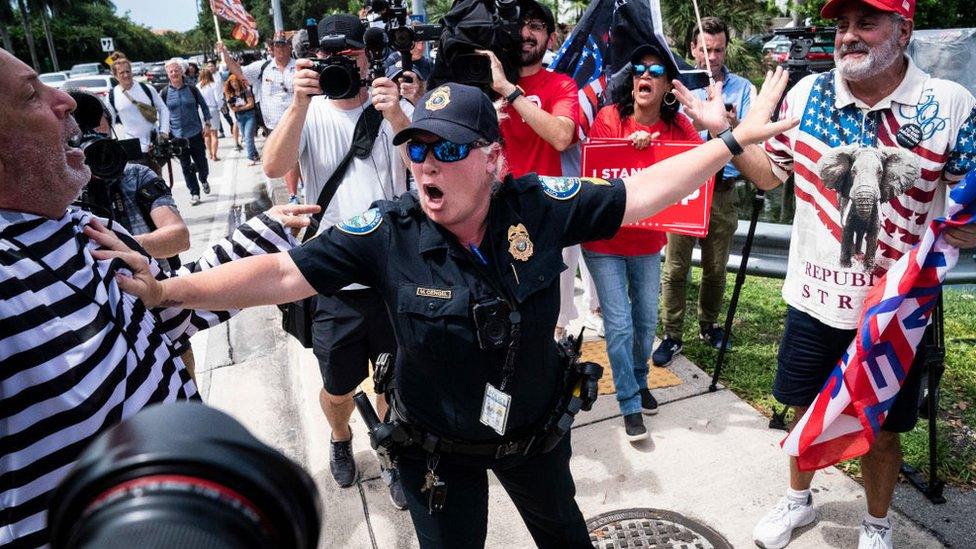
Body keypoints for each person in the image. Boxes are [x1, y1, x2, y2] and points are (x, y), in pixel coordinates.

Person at [108, 69, 798, 547]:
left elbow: (644, 193)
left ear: (494, 160)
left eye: (448, 150)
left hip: (534, 436)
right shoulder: (387, 229)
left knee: (565, 535)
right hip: (436, 455)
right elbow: (283, 272)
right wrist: (171, 290)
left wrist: (732, 141)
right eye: (417, 150)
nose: (427, 165)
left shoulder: (539, 205)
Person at [673, 1, 976, 548]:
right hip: (814, 302)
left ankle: (877, 525)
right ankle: (797, 503)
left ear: (903, 30)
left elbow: (968, 203)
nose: (848, 37)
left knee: (882, 430)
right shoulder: (808, 95)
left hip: (895, 314)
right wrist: (729, 136)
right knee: (804, 413)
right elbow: (770, 178)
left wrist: (971, 228)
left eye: (866, 23)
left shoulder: (948, 105)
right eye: (841, 25)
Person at [0, 48, 317, 546]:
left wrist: (263, 235)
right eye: (30, 95)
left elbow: (150, 328)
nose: (65, 101)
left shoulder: (79, 228)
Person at [262, 14, 413, 509]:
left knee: (394, 377)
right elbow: (274, 166)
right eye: (331, 59)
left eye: (350, 57)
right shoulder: (308, 112)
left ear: (368, 57)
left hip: (391, 270)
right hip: (332, 276)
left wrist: (397, 117)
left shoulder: (393, 106)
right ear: (316, 61)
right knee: (338, 384)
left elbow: (431, 168)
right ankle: (342, 436)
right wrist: (299, 102)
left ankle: (388, 448)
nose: (341, 67)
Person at [583, 43, 703, 441]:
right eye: (638, 69)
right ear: (631, 80)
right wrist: (627, 149)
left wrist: (660, 148)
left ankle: (638, 378)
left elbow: (702, 160)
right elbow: (596, 170)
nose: (644, 75)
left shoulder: (677, 126)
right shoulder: (608, 118)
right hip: (604, 243)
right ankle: (629, 403)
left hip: (649, 243)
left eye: (654, 70)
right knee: (617, 326)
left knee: (644, 324)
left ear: (669, 84)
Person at [652, 15, 754, 367]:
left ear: (725, 49)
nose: (712, 57)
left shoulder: (742, 87)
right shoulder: (678, 87)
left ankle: (709, 325)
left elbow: (753, 134)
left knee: (715, 267)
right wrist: (701, 118)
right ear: (693, 49)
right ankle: (672, 334)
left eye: (718, 49)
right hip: (687, 187)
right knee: (675, 268)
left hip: (724, 189)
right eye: (705, 49)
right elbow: (665, 131)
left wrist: (730, 121)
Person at [481, 0, 583, 341]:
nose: (526, 34)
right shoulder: (484, 83)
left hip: (542, 213)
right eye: (521, 25)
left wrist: (510, 93)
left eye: (536, 27)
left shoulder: (562, 85)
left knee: (541, 314)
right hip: (491, 210)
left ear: (550, 38)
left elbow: (561, 136)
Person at [219, 32, 302, 196]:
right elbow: (239, 71)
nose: (280, 48)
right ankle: (293, 194)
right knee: (287, 159)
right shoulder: (262, 67)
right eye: (276, 44)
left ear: (289, 46)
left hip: (300, 120)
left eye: (283, 44)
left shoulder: (299, 65)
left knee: (303, 156)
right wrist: (225, 55)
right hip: (275, 124)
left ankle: (306, 185)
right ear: (272, 48)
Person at [108, 52, 170, 174]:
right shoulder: (112, 95)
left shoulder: (147, 89)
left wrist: (163, 131)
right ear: (115, 76)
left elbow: (163, 109)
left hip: (153, 145)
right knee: (138, 186)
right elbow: (110, 122)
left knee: (157, 185)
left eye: (128, 71)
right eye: (121, 73)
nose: (126, 75)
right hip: (132, 149)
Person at [162, 58, 212, 205]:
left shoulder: (192, 89)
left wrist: (207, 124)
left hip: (195, 133)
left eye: (176, 70)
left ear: (182, 72)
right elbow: (161, 113)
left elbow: (204, 106)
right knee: (185, 166)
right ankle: (194, 193)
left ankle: (203, 179)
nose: (173, 73)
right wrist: (163, 132)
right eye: (170, 71)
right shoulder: (164, 93)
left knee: (202, 164)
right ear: (168, 74)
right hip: (177, 137)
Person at [225, 73, 259, 164]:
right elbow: (231, 107)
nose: (234, 84)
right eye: (232, 82)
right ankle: (255, 154)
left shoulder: (246, 91)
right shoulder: (230, 94)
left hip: (249, 116)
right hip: (239, 117)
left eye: (235, 82)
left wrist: (240, 108)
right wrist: (232, 106)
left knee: (247, 137)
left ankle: (251, 157)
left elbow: (251, 104)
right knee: (246, 137)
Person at [197, 67, 223, 161]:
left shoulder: (198, 86)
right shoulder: (213, 85)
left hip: (201, 111)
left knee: (207, 134)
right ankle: (215, 155)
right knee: (214, 134)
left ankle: (210, 153)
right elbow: (218, 99)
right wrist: (220, 107)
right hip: (212, 109)